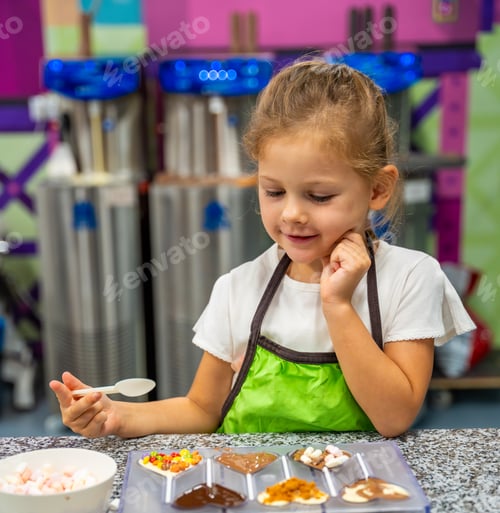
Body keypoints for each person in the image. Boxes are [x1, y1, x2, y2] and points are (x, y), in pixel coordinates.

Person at [50, 59, 474, 439]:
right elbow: (201, 409)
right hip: (250, 492)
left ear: (378, 188)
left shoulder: (411, 277)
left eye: (319, 196)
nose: (291, 214)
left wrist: (338, 306)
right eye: (273, 191)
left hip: (358, 496)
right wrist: (118, 417)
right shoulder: (239, 288)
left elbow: (395, 417)